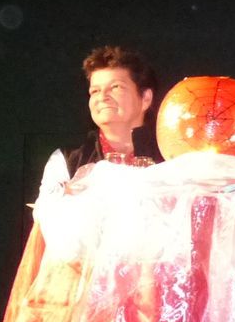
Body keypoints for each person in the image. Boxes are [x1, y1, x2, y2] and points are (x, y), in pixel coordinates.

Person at [36, 45, 163, 205]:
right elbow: (44, 218)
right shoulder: (68, 161)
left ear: (145, 98)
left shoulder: (172, 158)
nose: (102, 97)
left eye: (115, 87)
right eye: (95, 91)